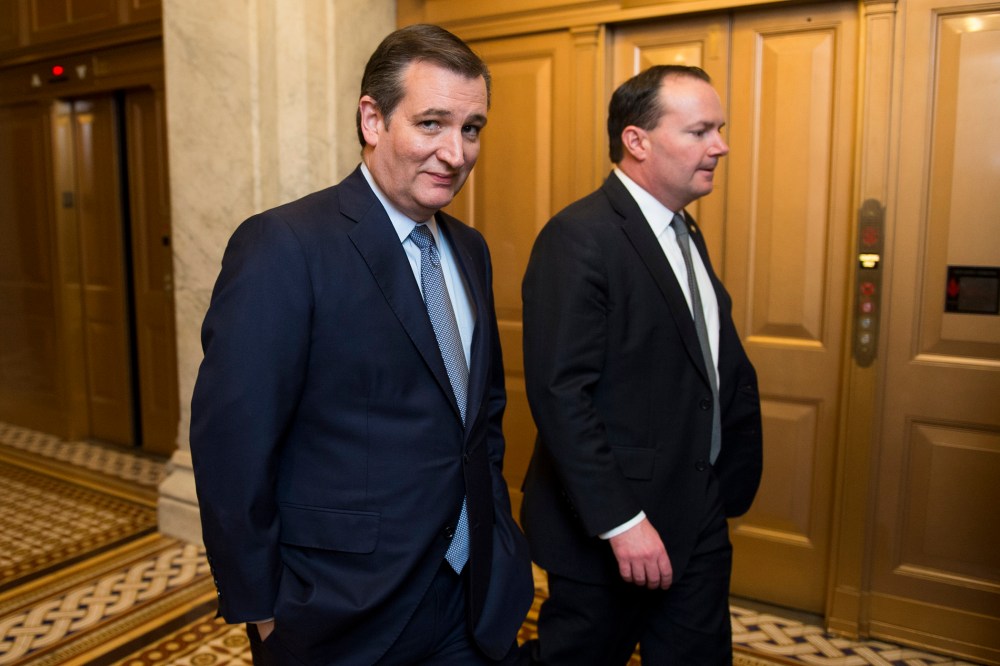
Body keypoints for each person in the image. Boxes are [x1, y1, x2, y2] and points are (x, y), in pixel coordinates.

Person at [190, 24, 533, 666]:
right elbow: (232, 448)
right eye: (431, 124)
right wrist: (264, 614)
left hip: (473, 594)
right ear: (372, 119)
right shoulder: (285, 247)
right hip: (339, 615)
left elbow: (480, 418)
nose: (455, 153)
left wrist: (500, 543)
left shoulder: (470, 251)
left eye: (471, 128)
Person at [519, 65, 763, 665]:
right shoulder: (578, 237)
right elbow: (561, 395)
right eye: (701, 131)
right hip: (614, 528)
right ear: (637, 140)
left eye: (720, 129)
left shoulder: (684, 232)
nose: (720, 146)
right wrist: (622, 521)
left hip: (698, 511)